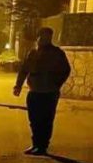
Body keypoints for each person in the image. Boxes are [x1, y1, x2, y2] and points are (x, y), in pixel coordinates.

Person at [14, 27, 71, 156]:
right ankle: (35, 144)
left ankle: (43, 146)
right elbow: (24, 70)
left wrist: (57, 83)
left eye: (47, 37)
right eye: (42, 36)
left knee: (46, 120)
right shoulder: (33, 53)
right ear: (38, 38)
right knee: (34, 119)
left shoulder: (57, 53)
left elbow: (66, 70)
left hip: (49, 93)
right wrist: (18, 85)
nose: (44, 39)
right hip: (34, 91)